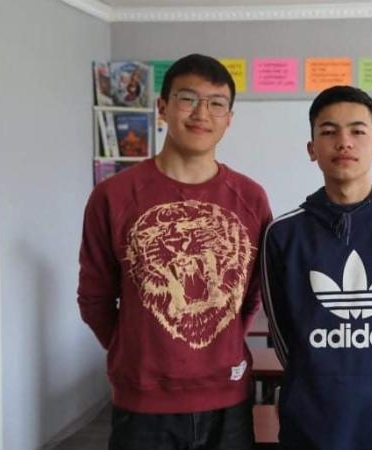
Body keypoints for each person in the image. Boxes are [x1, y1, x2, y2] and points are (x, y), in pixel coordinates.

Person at [77, 53, 272, 450]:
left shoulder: (250, 198)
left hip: (228, 398)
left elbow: (250, 293)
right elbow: (95, 298)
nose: (202, 113)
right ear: (162, 107)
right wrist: (135, 350)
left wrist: (221, 343)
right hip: (143, 403)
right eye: (188, 99)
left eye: (216, 103)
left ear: (229, 119)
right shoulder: (113, 196)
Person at [260, 85, 372, 450]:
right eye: (329, 131)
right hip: (313, 427)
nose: (344, 142)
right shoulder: (283, 234)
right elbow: (283, 335)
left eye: (358, 131)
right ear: (312, 148)